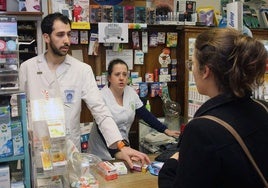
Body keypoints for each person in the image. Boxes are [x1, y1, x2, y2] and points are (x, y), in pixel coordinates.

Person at [19, 12, 150, 168]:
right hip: (38, 149)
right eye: (60, 35)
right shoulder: (28, 68)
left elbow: (100, 110)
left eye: (68, 34)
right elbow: (20, 110)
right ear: (46, 37)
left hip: (69, 149)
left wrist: (121, 146)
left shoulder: (82, 70)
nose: (66, 40)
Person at [158, 27, 268, 187]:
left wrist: (171, 165)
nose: (192, 69)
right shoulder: (262, 108)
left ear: (205, 71)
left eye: (192, 63)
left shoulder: (202, 130)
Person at [89, 59, 180, 160]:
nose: (121, 78)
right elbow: (102, 129)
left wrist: (165, 130)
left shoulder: (131, 93)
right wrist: (116, 152)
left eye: (124, 74)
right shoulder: (101, 97)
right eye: (117, 74)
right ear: (109, 78)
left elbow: (145, 114)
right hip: (101, 151)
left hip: (123, 147)